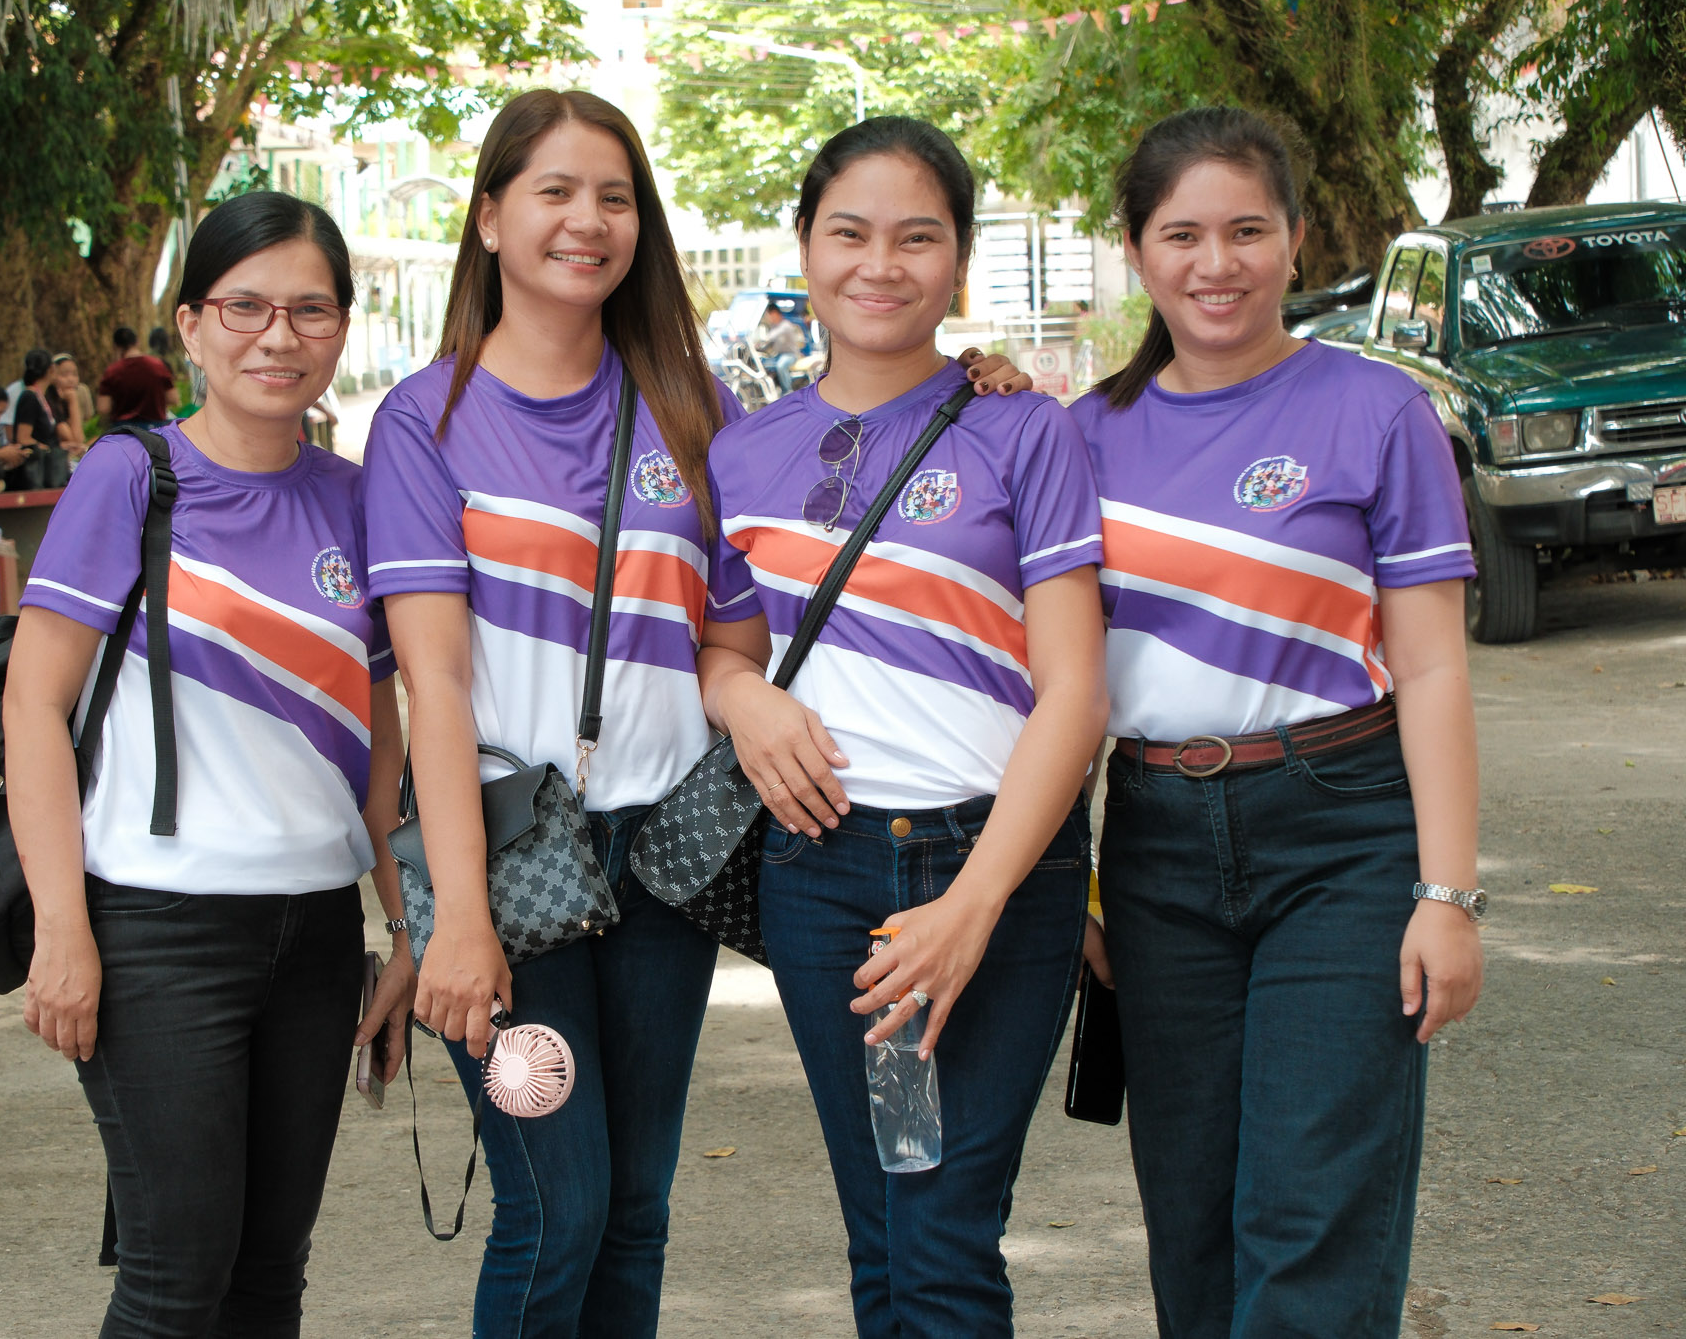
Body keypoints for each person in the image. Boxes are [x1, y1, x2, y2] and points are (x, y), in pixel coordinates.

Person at [368, 89, 1033, 1339]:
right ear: (489, 219)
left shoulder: (691, 404)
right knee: (551, 1208)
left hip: (662, 864)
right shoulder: (425, 420)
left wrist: (971, 379)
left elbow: (758, 604)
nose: (587, 221)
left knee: (634, 1210)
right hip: (505, 866)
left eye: (613, 198)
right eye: (554, 193)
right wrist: (454, 917)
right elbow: (432, 685)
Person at [1074, 107, 1483, 1339]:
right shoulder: (1077, 436)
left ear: (1296, 240)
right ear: (1135, 251)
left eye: (1247, 230)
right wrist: (1074, 890)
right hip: (1151, 848)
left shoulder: (1377, 411)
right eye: (1181, 234)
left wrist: (1446, 896)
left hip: (1342, 836)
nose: (1217, 263)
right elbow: (1053, 686)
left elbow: (1431, 670)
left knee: (1312, 1215)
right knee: (1189, 1212)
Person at [698, 117, 1107, 1338]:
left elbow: (1075, 692)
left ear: (959, 259)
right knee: (882, 1233)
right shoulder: (741, 450)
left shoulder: (1025, 429)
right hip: (819, 873)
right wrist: (739, 694)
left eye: (916, 237)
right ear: (804, 248)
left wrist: (972, 905)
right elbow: (725, 647)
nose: (879, 264)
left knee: (938, 1237)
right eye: (849, 233)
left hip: (997, 869)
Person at [3, 188, 414, 1339]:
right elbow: (34, 706)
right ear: (189, 326)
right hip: (156, 936)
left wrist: (406, 927)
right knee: (174, 1284)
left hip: (316, 936)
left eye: (309, 310)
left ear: (341, 327)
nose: (278, 337)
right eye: (245, 307)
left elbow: (381, 741)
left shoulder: (360, 500)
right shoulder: (132, 477)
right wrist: (61, 932)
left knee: (269, 1277)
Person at [8, 348, 71, 489]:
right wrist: (46, 448)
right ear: (51, 369)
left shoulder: (41, 396)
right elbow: (23, 437)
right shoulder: (29, 397)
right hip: (37, 469)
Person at [97, 325, 180, 429]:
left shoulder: (112, 371)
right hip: (155, 429)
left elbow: (103, 408)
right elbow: (173, 398)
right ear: (137, 342)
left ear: (116, 346)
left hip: (123, 431)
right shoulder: (157, 365)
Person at [750, 301, 807, 392]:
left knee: (781, 366)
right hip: (779, 355)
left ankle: (787, 391)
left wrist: (762, 340)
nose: (768, 317)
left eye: (769, 314)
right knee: (765, 364)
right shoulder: (774, 326)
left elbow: (771, 336)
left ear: (775, 313)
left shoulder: (785, 325)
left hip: (790, 355)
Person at [46, 353, 90, 460]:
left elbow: (79, 440)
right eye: (64, 375)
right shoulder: (48, 401)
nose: (71, 379)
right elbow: (76, 440)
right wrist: (73, 401)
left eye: (75, 374)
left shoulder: (81, 391)